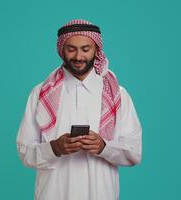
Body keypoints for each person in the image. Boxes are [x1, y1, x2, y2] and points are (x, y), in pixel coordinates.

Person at [16, 19, 142, 200]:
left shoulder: (117, 95)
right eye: (71, 49)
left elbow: (134, 153)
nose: (78, 56)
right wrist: (54, 148)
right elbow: (24, 152)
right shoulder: (40, 94)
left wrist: (104, 147)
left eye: (85, 49)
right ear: (61, 50)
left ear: (96, 50)